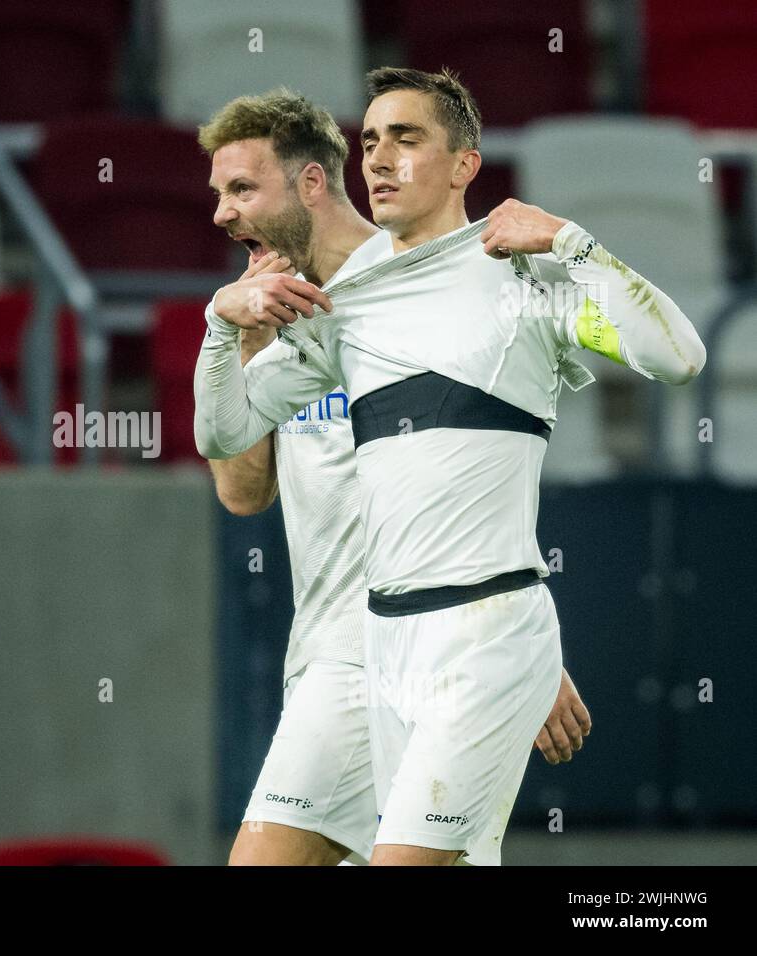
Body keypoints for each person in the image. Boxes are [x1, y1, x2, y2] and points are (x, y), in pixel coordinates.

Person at [195, 70, 704, 866]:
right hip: (374, 641)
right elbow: (228, 445)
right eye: (370, 141)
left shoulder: (517, 280)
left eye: (405, 140)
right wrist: (219, 331)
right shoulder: (340, 306)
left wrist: (574, 242)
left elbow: (678, 356)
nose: (381, 159)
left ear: (466, 164)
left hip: (480, 633)